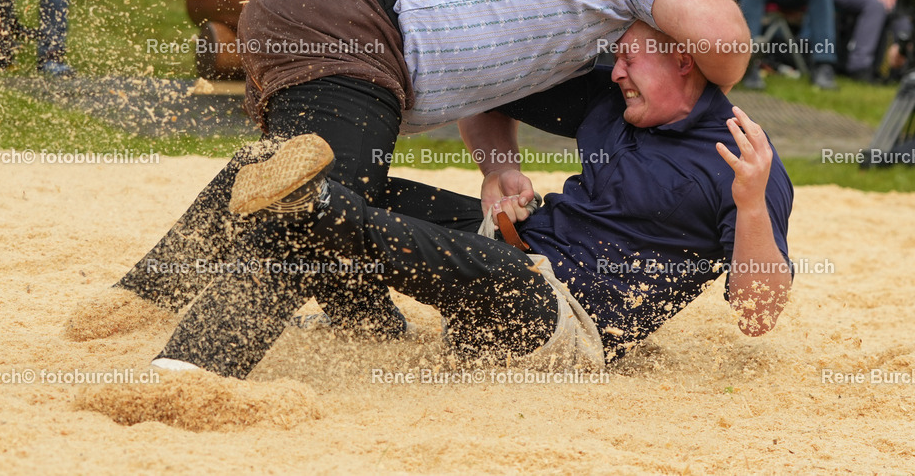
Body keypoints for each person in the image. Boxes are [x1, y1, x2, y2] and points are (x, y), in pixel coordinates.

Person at [63, 0, 751, 346]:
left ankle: (154, 293)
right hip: (353, 11)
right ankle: (196, 365)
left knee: (312, 183)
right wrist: (704, 66)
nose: (671, 8)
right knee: (318, 200)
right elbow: (727, 42)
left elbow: (500, 79)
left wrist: (500, 164)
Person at [77, 20, 792, 379]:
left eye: (632, 55)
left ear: (684, 61)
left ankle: (193, 369)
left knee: (320, 204)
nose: (618, 70)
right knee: (295, 169)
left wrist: (754, 207)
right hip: (517, 245)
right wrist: (497, 169)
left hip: (562, 327)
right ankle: (152, 292)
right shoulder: (615, 102)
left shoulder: (744, 162)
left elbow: (758, 315)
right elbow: (491, 85)